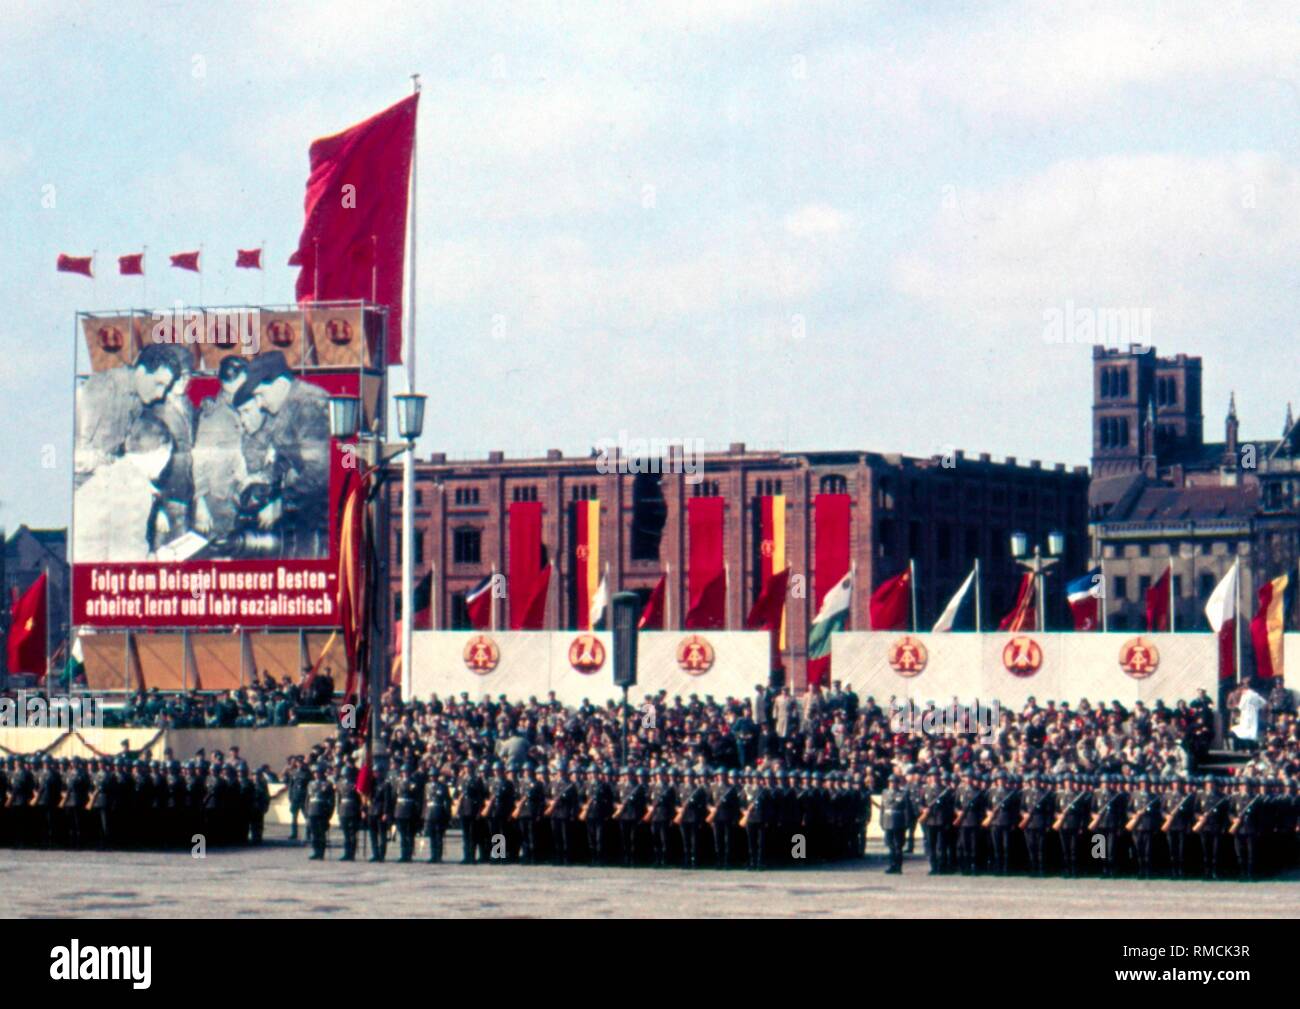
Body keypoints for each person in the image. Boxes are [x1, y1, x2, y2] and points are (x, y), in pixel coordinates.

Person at [918, 766, 954, 875]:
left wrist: (947, 821)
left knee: (941, 845)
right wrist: (924, 809)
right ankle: (933, 867)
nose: (934, 778)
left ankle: (941, 867)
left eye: (936, 776)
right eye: (932, 776)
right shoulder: (925, 789)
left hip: (941, 821)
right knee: (931, 845)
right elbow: (920, 804)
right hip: (929, 821)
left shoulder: (944, 790)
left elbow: (949, 807)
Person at [1194, 776, 1230, 880]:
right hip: (1204, 827)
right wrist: (1200, 817)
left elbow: (1225, 814)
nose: (1210, 785)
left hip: (1216, 827)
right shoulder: (1200, 796)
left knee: (1216, 851)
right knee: (1205, 851)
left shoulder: (1221, 797)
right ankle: (1207, 872)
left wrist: (1223, 827)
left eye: (1212, 783)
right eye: (1208, 783)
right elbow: (1196, 811)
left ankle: (1215, 872)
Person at [985, 769, 1019, 876]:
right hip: (994, 822)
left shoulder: (1010, 793)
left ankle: (1006, 868)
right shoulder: (991, 792)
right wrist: (989, 812)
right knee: (996, 846)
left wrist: (1013, 822)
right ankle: (997, 867)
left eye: (1003, 780)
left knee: (1006, 846)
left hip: (1006, 821)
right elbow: (986, 806)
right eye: (999, 780)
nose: (1001, 781)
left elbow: (1014, 809)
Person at [1019, 771, 1054, 877]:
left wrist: (1047, 824)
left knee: (1041, 847)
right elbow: (1022, 808)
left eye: (1037, 780)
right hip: (1028, 823)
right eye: (1033, 780)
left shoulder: (1044, 793)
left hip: (1040, 822)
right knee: (1031, 846)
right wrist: (1024, 815)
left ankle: (1041, 869)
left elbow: (1049, 811)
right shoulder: (1026, 793)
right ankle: (1033, 868)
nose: (1035, 782)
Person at [1229, 777, 1263, 881]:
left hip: (1250, 828)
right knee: (1240, 852)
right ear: (1239, 787)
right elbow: (1230, 812)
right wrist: (1233, 820)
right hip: (1238, 829)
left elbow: (1259, 815)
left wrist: (1257, 829)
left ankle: (1250, 874)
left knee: (1251, 853)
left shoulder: (1254, 798)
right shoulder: (1235, 798)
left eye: (1246, 785)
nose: (1244, 787)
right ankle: (1242, 873)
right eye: (1242, 785)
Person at [879, 772, 913, 874]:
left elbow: (907, 809)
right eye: (890, 782)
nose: (892, 784)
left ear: (898, 783)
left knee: (898, 846)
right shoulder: (885, 793)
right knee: (890, 845)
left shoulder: (903, 793)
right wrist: (881, 821)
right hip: (888, 821)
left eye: (894, 782)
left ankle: (898, 866)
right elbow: (882, 808)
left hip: (899, 822)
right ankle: (891, 865)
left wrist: (907, 823)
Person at [1162, 776, 1195, 879]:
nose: (1176, 785)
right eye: (1174, 783)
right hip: (1170, 826)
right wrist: (1166, 816)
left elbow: (1191, 812)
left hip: (1181, 825)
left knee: (1181, 850)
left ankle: (1181, 871)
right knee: (1172, 849)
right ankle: (1173, 870)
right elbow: (1162, 810)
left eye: (1178, 783)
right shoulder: (1167, 796)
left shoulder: (1185, 797)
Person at [954, 768, 985, 875]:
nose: (968, 780)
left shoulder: (977, 792)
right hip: (963, 821)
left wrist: (980, 821)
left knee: (974, 845)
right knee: (964, 844)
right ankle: (965, 866)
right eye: (966, 777)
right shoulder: (960, 791)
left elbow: (982, 809)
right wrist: (958, 812)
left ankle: (974, 866)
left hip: (974, 820)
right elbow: (956, 805)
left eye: (970, 777)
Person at [711, 768, 741, 869]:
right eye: (719, 775)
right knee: (717, 839)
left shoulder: (731, 788)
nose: (721, 777)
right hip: (715, 816)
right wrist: (711, 808)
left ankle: (727, 861)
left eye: (723, 775)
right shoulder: (713, 787)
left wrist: (734, 818)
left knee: (727, 839)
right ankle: (718, 860)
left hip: (727, 816)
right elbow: (708, 801)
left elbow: (735, 805)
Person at [393, 761, 422, 863]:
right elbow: (395, 796)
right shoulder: (398, 782)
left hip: (410, 810)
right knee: (402, 833)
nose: (405, 773)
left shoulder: (413, 783)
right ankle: (403, 854)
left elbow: (417, 797)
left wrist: (417, 811)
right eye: (404, 771)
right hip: (400, 810)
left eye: (407, 771)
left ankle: (409, 854)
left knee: (410, 834)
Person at [305, 764, 335, 860]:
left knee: (321, 833)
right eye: (315, 773)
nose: (316, 775)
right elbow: (307, 799)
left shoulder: (327, 784)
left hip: (322, 811)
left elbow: (331, 801)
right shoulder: (311, 784)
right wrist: (307, 812)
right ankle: (315, 852)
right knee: (314, 833)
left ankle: (321, 852)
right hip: (312, 810)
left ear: (322, 774)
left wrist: (329, 814)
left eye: (318, 773)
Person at [423, 770, 452, 864]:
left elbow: (447, 801)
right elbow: (425, 801)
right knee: (431, 836)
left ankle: (439, 856)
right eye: (431, 776)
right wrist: (424, 814)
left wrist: (447, 814)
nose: (433, 778)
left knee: (439, 835)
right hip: (430, 812)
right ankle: (433, 855)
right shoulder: (427, 786)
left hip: (439, 811)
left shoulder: (443, 786)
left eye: (434, 776)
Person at [336, 765, 363, 861]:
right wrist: (338, 811)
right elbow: (339, 799)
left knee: (352, 833)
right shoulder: (340, 784)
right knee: (346, 834)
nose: (346, 776)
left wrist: (361, 810)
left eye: (348, 774)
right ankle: (346, 853)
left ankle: (352, 854)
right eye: (345, 774)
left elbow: (360, 799)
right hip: (343, 809)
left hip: (353, 810)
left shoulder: (356, 784)